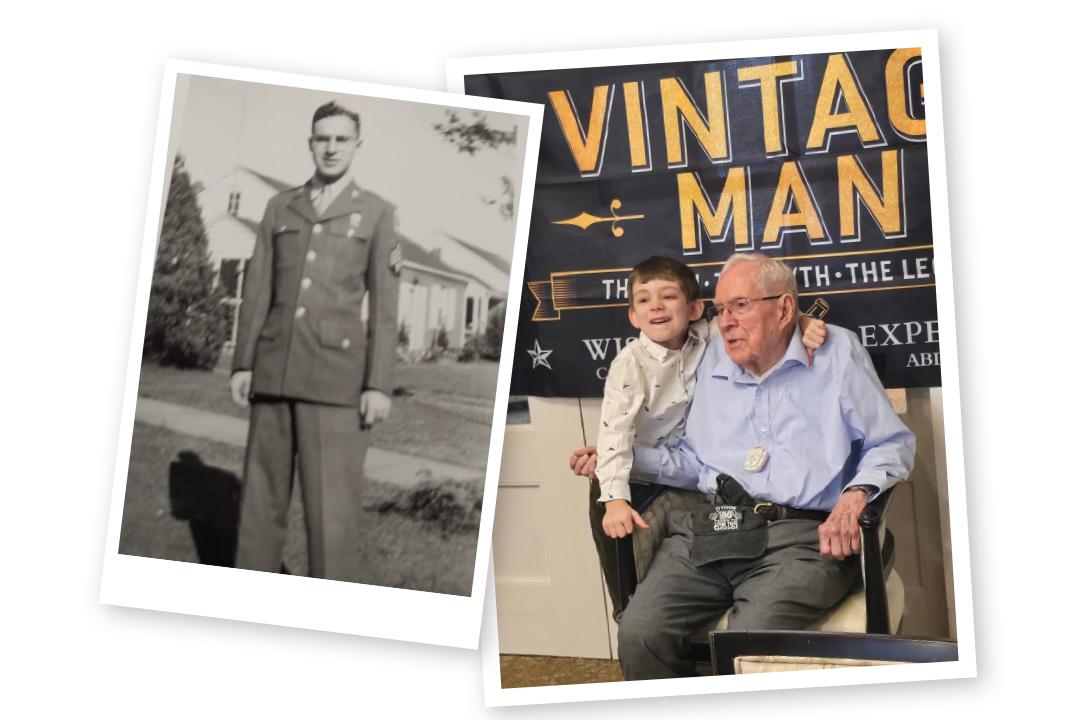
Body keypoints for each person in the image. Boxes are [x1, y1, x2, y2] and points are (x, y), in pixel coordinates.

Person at [572, 252, 915, 680]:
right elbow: (694, 463)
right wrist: (616, 460)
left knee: (751, 643)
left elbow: (891, 443)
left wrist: (853, 499)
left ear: (786, 309)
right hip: (717, 525)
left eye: (741, 306)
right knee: (640, 633)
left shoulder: (835, 352)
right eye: (720, 309)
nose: (726, 322)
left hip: (804, 539)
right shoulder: (709, 358)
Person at [228, 100, 401, 582]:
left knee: (332, 515)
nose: (330, 148)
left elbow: (385, 309)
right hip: (274, 373)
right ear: (310, 143)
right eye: (322, 138)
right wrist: (244, 363)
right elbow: (258, 289)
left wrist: (379, 385)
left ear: (356, 146)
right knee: (258, 505)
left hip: (336, 383)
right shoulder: (279, 207)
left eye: (341, 139)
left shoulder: (377, 214)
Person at [593, 256, 827, 541]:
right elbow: (615, 434)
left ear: (694, 309)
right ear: (633, 316)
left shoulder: (706, 335)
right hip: (639, 469)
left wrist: (802, 322)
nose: (656, 306)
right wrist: (615, 500)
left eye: (668, 296)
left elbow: (759, 322)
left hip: (688, 465)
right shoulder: (629, 365)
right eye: (643, 301)